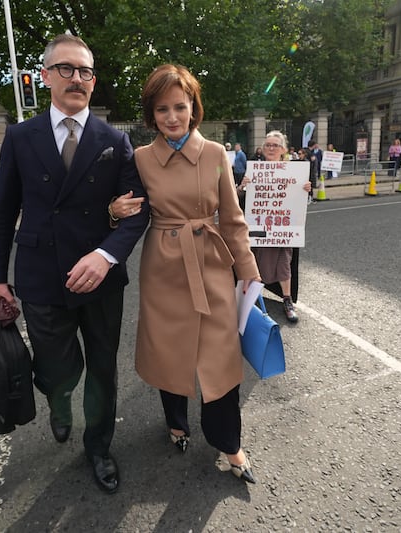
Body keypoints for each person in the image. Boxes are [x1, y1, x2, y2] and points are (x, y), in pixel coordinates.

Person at [0, 34, 149, 494]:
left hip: (100, 279)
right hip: (40, 276)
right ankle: (58, 400)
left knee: (101, 369)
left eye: (85, 72)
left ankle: (98, 447)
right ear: (45, 76)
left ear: (93, 82)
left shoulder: (115, 140)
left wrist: (105, 254)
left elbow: (139, 211)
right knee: (58, 370)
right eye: (66, 69)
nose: (77, 79)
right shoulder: (20, 137)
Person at [111, 64, 261, 484]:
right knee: (170, 350)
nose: (172, 117)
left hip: (211, 263)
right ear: (151, 114)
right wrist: (112, 210)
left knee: (220, 356)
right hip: (163, 266)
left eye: (180, 106)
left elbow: (231, 218)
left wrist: (247, 270)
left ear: (194, 106)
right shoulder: (140, 158)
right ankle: (176, 423)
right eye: (162, 109)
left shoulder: (215, 153)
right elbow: (125, 208)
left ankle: (229, 442)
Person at [238, 131, 310, 323]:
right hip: (257, 227)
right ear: (262, 148)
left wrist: (305, 190)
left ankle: (287, 300)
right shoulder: (254, 170)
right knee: (253, 259)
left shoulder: (294, 173)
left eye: (275, 145)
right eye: (268, 145)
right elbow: (237, 199)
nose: (271, 148)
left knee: (284, 261)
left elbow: (300, 202)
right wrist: (242, 186)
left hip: (281, 228)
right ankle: (249, 299)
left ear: (283, 150)